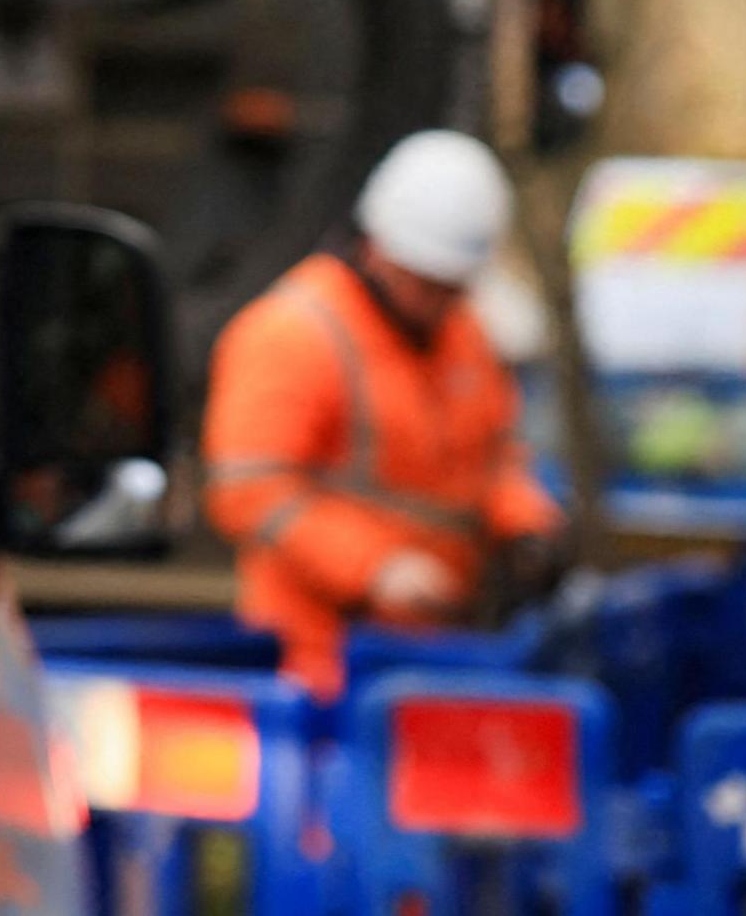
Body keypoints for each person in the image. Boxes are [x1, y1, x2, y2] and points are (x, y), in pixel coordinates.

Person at [203, 130, 564, 698]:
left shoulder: (463, 334)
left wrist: (527, 529)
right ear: (376, 248)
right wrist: (377, 569)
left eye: (454, 286)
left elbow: (495, 457)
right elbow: (251, 491)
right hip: (316, 661)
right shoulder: (293, 334)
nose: (441, 301)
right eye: (427, 283)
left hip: (435, 658)